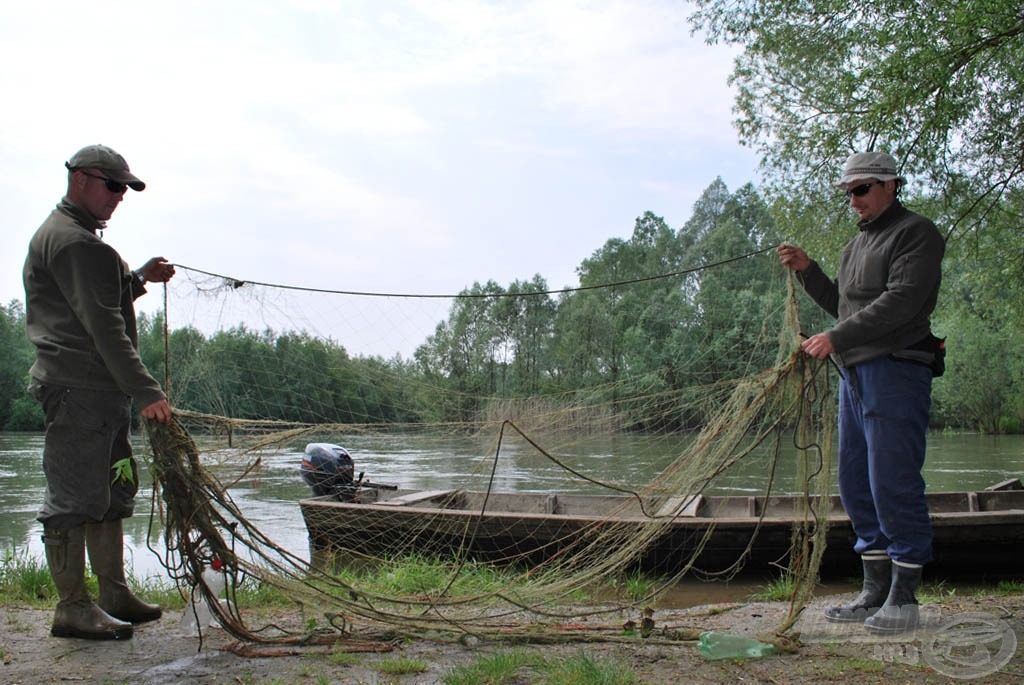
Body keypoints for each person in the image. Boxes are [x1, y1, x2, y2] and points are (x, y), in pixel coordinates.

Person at [777, 151, 945, 634]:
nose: (854, 201)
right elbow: (842, 306)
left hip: (896, 369)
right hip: (854, 374)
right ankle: (873, 591)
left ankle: (904, 598)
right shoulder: (855, 248)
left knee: (893, 479)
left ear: (890, 185)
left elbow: (901, 303)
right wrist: (809, 270)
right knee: (855, 481)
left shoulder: (917, 233)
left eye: (862, 190)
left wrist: (835, 339)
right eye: (848, 193)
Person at [23, 144, 177, 641]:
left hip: (98, 391)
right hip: (78, 390)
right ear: (81, 179)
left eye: (125, 189)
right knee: (72, 499)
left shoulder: (76, 238)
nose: (119, 197)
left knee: (113, 490)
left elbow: (91, 300)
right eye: (112, 186)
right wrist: (146, 390)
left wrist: (137, 279)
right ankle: (72, 608)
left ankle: (113, 595)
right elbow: (104, 325)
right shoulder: (75, 243)